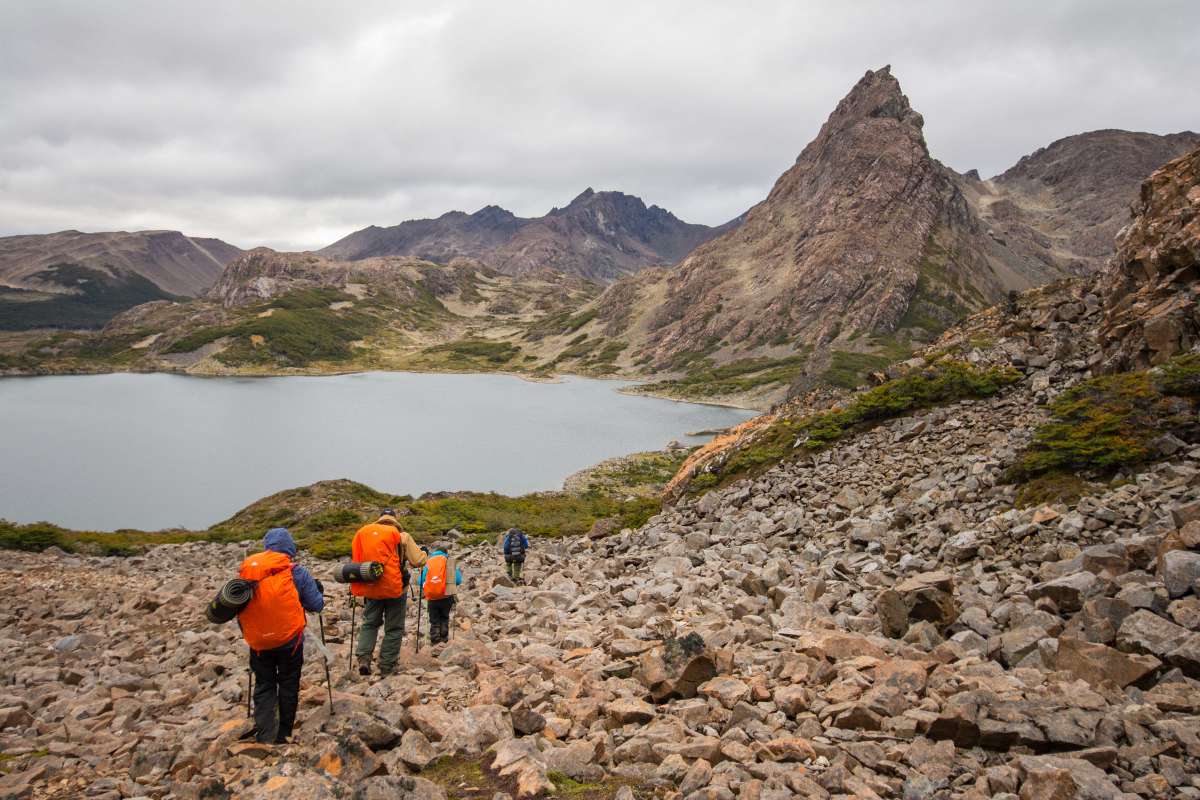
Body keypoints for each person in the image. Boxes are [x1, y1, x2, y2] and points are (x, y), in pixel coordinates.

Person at [237, 528, 324, 745]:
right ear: (290, 548)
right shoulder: (297, 572)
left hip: (259, 641)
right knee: (288, 683)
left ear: (267, 546)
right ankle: (283, 733)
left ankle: (265, 734)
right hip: (290, 641)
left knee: (264, 683)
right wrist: (317, 590)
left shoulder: (250, 570)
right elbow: (316, 605)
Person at [351, 510, 427, 676]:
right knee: (393, 628)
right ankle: (387, 665)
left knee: (370, 623)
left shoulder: (364, 534)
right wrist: (424, 552)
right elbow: (418, 561)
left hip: (371, 587)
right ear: (395, 520)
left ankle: (364, 658)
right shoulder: (402, 536)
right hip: (396, 589)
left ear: (380, 519)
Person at [418, 543, 463, 646]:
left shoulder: (429, 562)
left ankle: (435, 639)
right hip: (446, 596)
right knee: (444, 617)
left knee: (434, 619)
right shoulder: (449, 561)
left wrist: (428, 586)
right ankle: (444, 638)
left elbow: (420, 581)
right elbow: (458, 580)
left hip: (432, 597)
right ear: (446, 553)